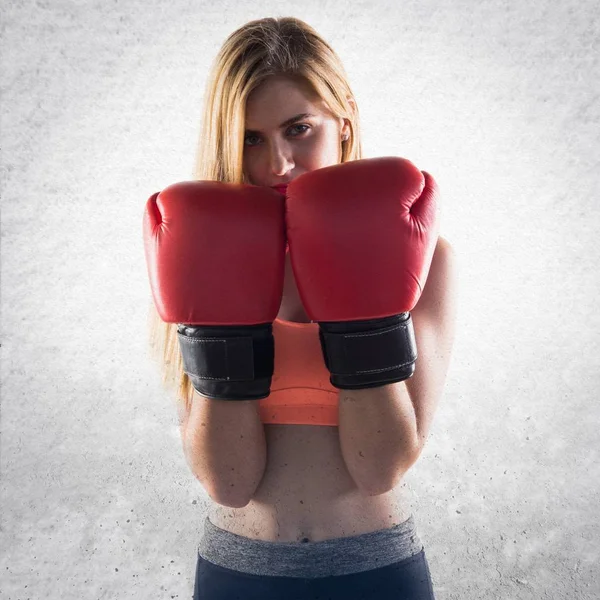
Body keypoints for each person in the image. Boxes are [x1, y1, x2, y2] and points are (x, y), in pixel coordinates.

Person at [143, 16, 457, 600]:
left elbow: (380, 468)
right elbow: (228, 482)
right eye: (250, 139)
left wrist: (363, 304)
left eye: (298, 129)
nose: (277, 164)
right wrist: (222, 313)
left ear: (344, 121)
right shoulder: (193, 247)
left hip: (378, 569)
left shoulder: (426, 258)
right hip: (239, 570)